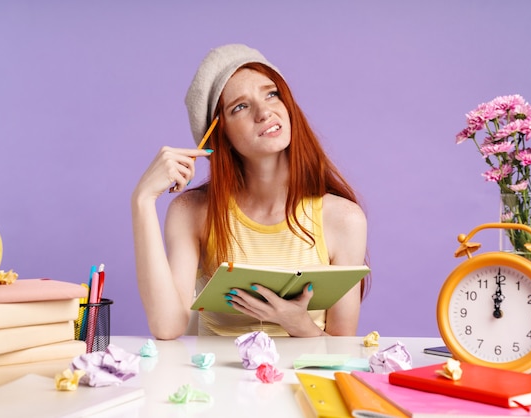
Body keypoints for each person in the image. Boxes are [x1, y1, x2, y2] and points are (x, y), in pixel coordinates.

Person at [132, 44, 368, 339]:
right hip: (217, 382)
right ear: (220, 135)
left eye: (272, 94)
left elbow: (342, 348)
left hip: (301, 382)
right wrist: (142, 200)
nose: (264, 112)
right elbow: (167, 328)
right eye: (240, 107)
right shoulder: (191, 212)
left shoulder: (344, 219)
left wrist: (299, 325)